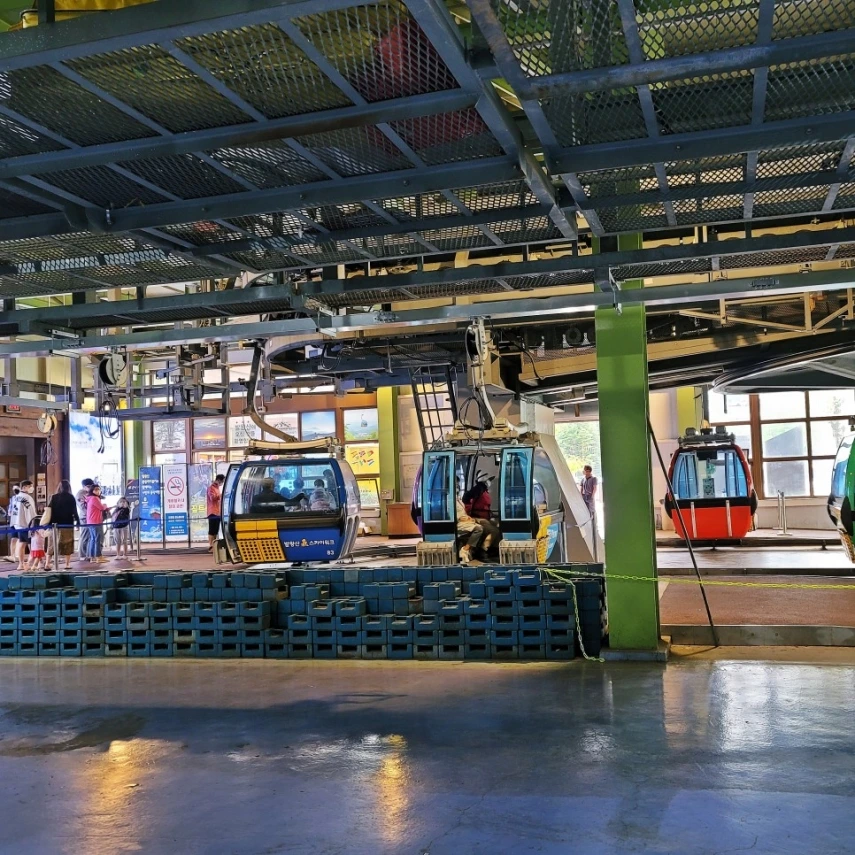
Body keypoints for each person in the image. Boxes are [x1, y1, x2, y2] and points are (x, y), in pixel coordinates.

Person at [46, 480, 80, 570]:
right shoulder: (71, 497)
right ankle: (67, 564)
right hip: (67, 523)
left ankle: (47, 563)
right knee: (68, 543)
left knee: (51, 544)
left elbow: (49, 510)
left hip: (54, 524)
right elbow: (74, 511)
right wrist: (78, 522)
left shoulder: (53, 497)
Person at [462, 480, 501, 557]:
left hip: (484, 517)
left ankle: (494, 548)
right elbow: (467, 498)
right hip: (477, 517)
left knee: (498, 525)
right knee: (494, 530)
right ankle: (483, 549)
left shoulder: (483, 491)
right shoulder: (479, 489)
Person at [84, 485, 110, 565]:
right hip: (95, 521)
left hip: (91, 521)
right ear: (92, 490)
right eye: (96, 489)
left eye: (99, 489)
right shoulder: (94, 498)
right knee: (97, 539)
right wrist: (105, 505)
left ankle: (92, 557)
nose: (98, 491)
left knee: (93, 539)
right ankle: (98, 557)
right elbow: (101, 507)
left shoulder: (89, 498)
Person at [456, 497, 486, 566]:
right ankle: (465, 549)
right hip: (459, 523)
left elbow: (463, 513)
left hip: (465, 521)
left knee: (483, 528)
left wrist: (468, 517)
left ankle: (474, 550)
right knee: (479, 529)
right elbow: (457, 516)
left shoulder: (459, 500)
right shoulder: (451, 501)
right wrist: (465, 518)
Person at [15, 480, 36, 571]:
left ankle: (20, 564)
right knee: (32, 545)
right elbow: (30, 512)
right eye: (30, 486)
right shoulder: (27, 497)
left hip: (18, 524)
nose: (32, 488)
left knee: (22, 543)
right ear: (24, 487)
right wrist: (32, 524)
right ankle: (31, 564)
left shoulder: (16, 497)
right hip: (27, 524)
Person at [76, 478, 95, 560]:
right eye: (88, 486)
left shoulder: (90, 493)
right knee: (84, 536)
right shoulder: (80, 494)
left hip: (91, 518)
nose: (90, 488)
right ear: (84, 486)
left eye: (91, 486)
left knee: (90, 537)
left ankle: (88, 554)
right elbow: (83, 507)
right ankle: (82, 555)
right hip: (85, 518)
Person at [206, 473, 225, 552]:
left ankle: (214, 546)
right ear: (219, 480)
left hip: (217, 512)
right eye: (222, 481)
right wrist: (221, 495)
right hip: (212, 512)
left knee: (216, 531)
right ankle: (211, 546)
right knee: (212, 530)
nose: (222, 483)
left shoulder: (217, 488)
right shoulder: (211, 488)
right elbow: (212, 498)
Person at [5, 485, 20, 562]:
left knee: (24, 540)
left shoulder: (23, 498)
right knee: (13, 538)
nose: (15, 490)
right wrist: (10, 514)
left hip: (21, 521)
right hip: (14, 521)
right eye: (14, 489)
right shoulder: (12, 498)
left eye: (16, 488)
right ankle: (12, 555)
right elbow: (10, 511)